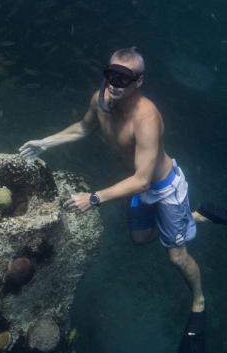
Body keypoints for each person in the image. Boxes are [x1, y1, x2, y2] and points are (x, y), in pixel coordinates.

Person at [17, 47, 205, 316]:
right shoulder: (100, 100)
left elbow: (142, 181)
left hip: (163, 189)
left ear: (138, 81)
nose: (114, 85)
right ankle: (188, 219)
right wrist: (45, 143)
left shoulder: (147, 118)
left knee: (176, 257)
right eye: (111, 75)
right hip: (136, 184)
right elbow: (83, 127)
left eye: (123, 78)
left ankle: (199, 299)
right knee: (140, 238)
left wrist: (93, 198)